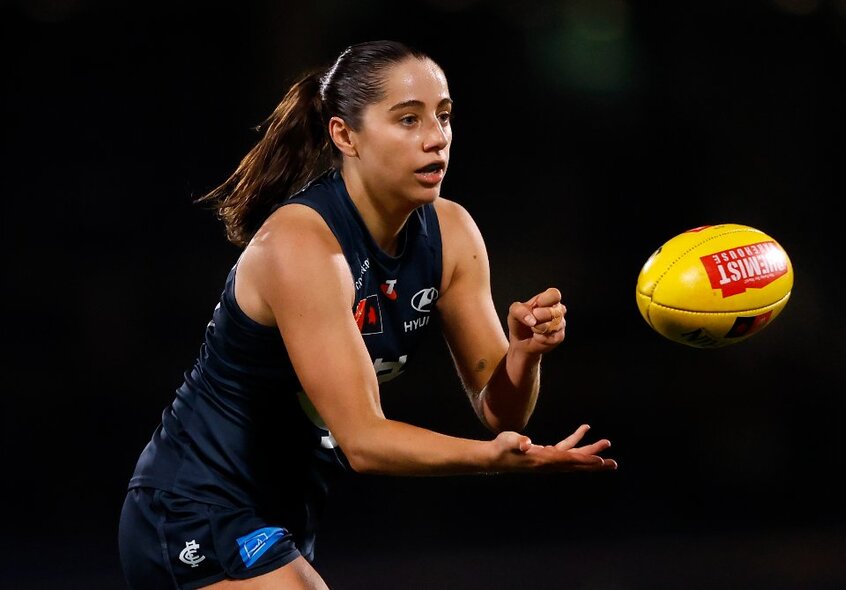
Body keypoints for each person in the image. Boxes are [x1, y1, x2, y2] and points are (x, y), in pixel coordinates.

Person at [118, 39, 617, 590]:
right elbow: (362, 441)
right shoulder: (302, 244)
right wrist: (494, 459)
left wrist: (523, 356)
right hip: (191, 503)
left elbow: (502, 415)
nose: (436, 138)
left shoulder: (451, 234)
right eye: (408, 120)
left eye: (444, 116)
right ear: (344, 135)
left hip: (280, 518)